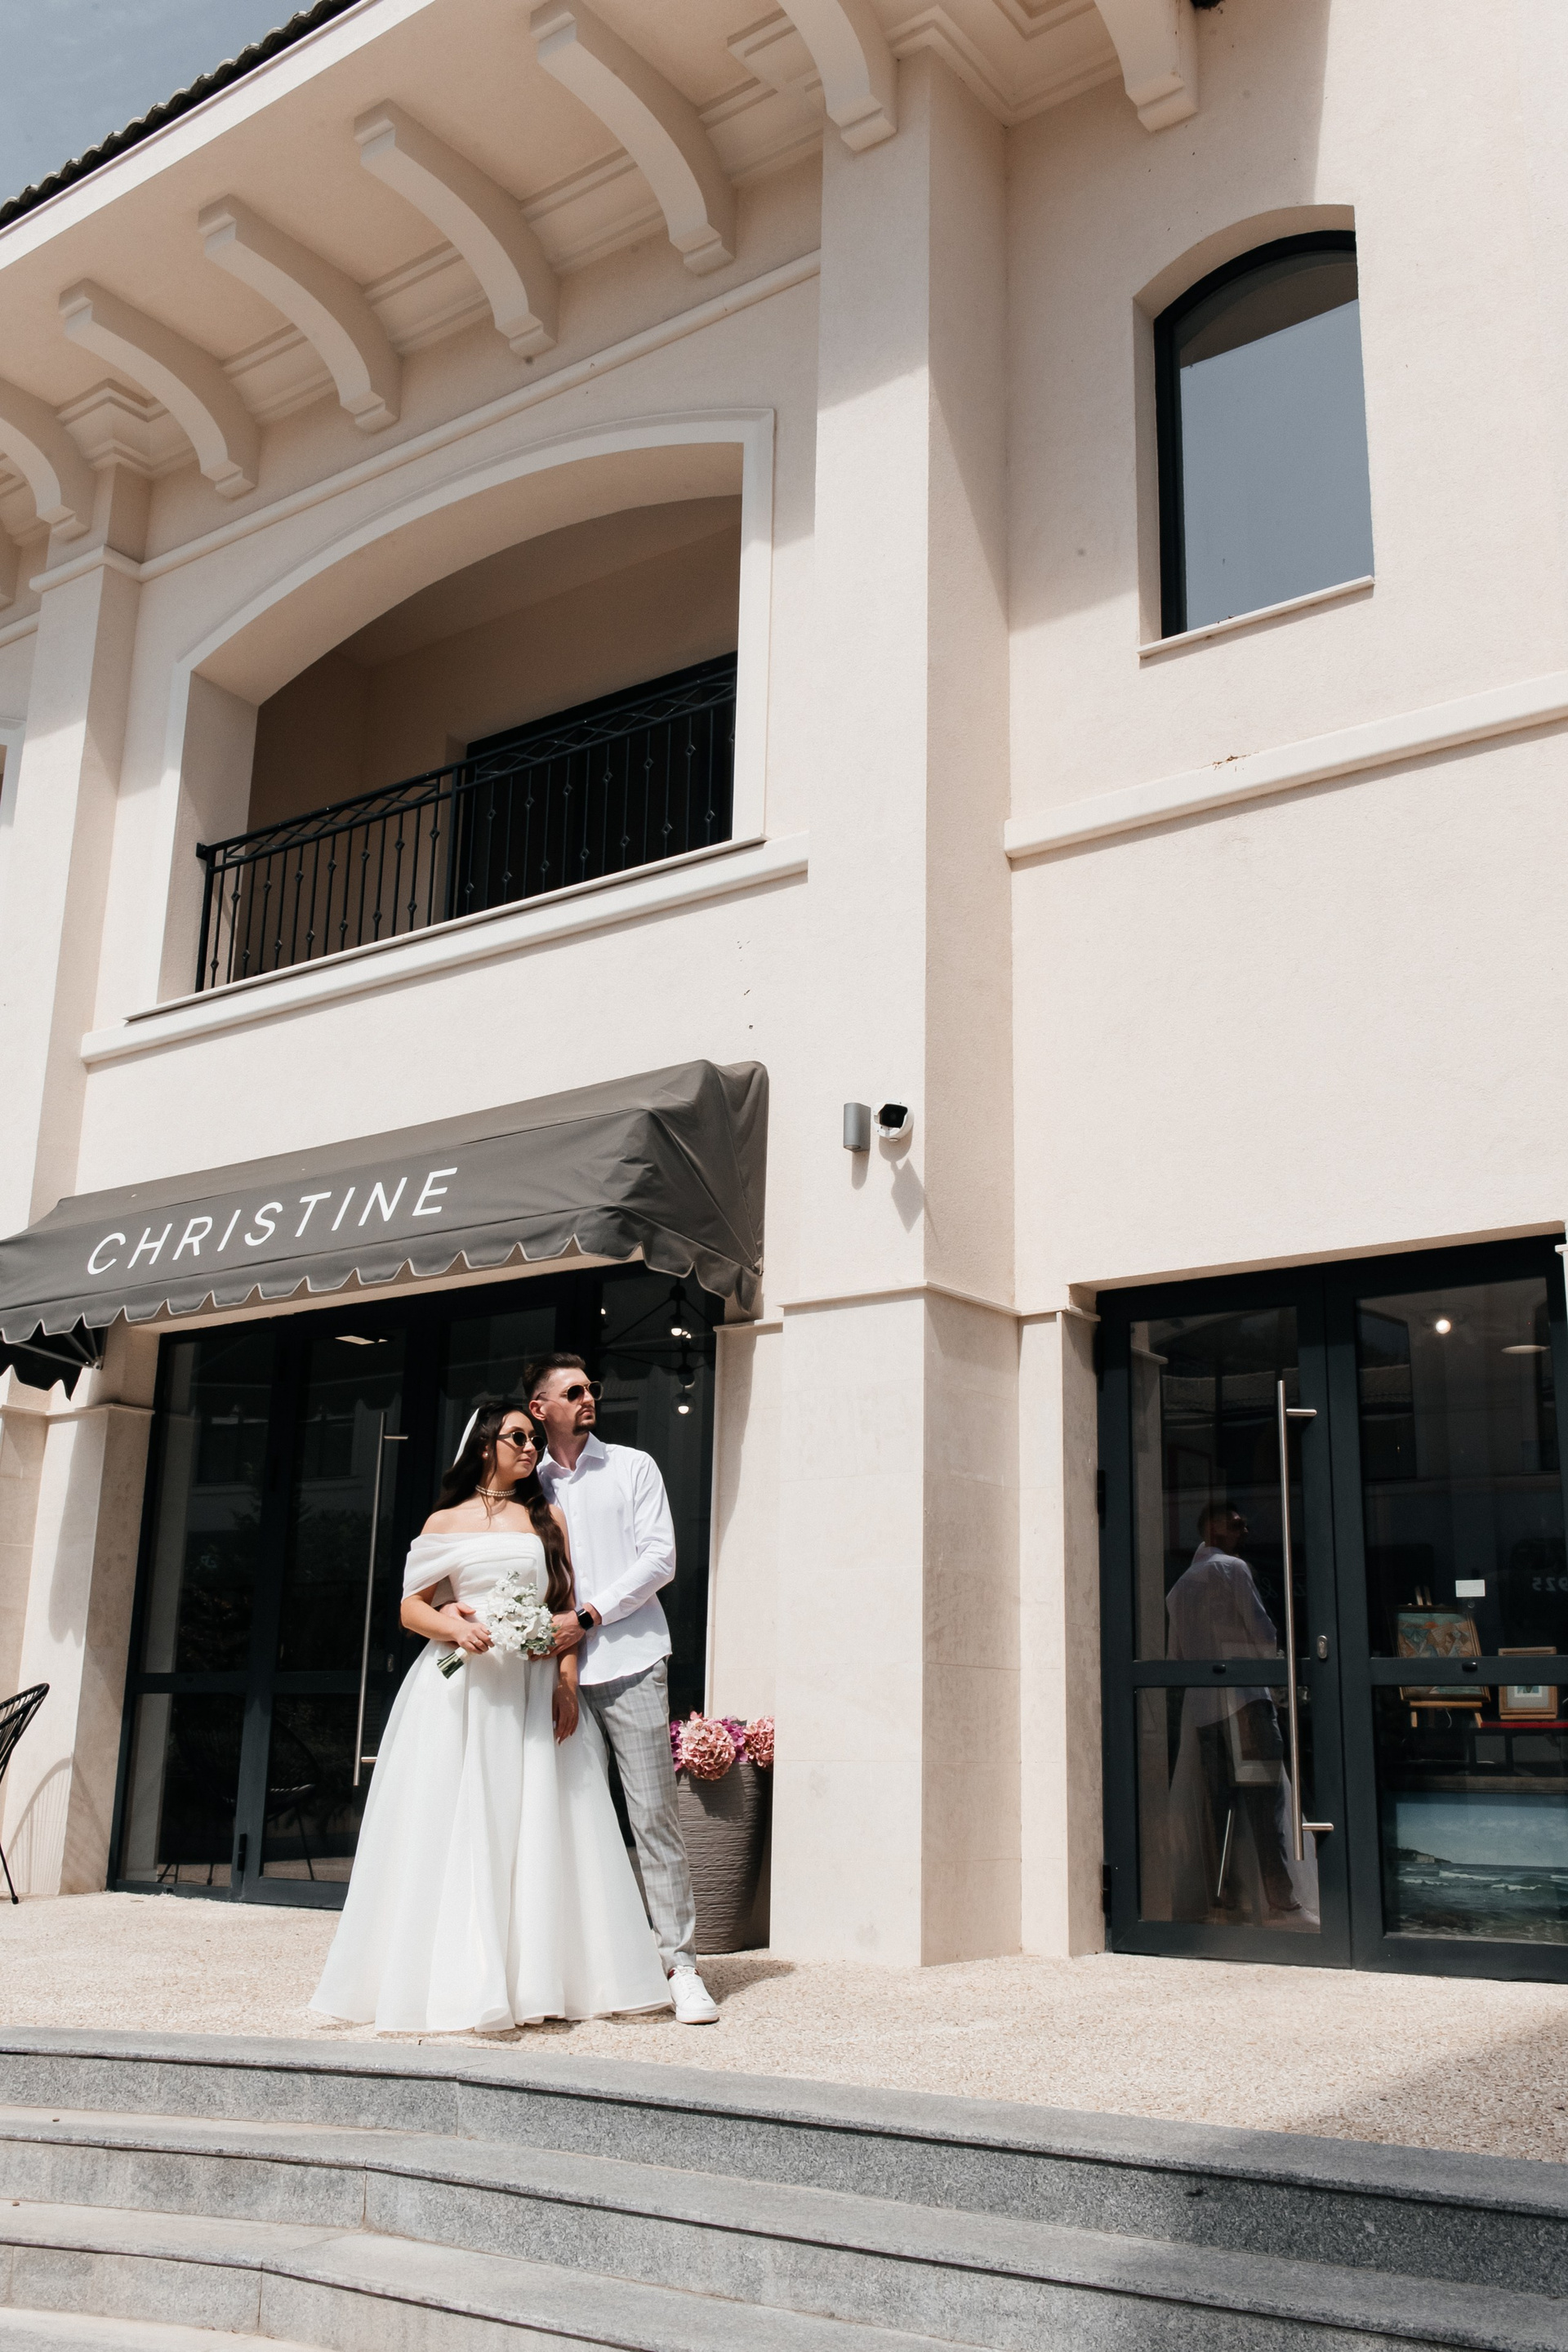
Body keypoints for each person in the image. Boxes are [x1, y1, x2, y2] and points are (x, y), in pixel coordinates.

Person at [309, 1403, 671, 2033]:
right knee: (464, 1820)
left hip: (532, 1687)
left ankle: (544, 1978)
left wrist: (565, 1683)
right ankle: (460, 1977)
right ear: (485, 1447)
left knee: (540, 1821)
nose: (531, 1447)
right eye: (518, 1437)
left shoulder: (547, 1517)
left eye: (534, 1439)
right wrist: (454, 1628)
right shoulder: (444, 1521)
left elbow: (564, 1608)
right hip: (463, 1693)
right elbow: (411, 1609)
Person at [525, 1352, 719, 2026]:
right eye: (573, 1391)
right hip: (553, 1674)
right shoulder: (528, 1485)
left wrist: (586, 1617)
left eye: (592, 1389)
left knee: (653, 1817)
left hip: (631, 1661)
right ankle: (580, 1970)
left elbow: (660, 1559)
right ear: (540, 1408)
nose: (589, 1398)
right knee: (567, 1821)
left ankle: (680, 1966)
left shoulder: (634, 1466)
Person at [1165, 1503, 1307, 1922]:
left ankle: (1224, 1897)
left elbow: (1175, 1659)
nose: (1245, 1528)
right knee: (1265, 1803)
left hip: (1204, 1712)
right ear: (1213, 1528)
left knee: (1218, 1807)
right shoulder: (1233, 1569)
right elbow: (1263, 1635)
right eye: (1236, 1522)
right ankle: (1280, 1899)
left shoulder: (1179, 1588)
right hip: (1245, 1704)